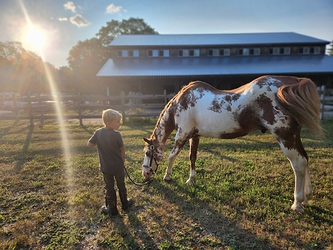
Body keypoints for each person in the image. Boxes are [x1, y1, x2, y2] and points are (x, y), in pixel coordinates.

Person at [87, 109, 133, 216]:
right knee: (121, 184)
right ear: (109, 123)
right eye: (117, 122)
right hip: (118, 166)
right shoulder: (117, 135)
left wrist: (97, 141)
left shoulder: (98, 133)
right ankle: (125, 204)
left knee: (109, 187)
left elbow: (89, 145)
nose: (119, 124)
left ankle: (112, 209)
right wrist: (122, 161)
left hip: (106, 167)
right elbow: (122, 149)